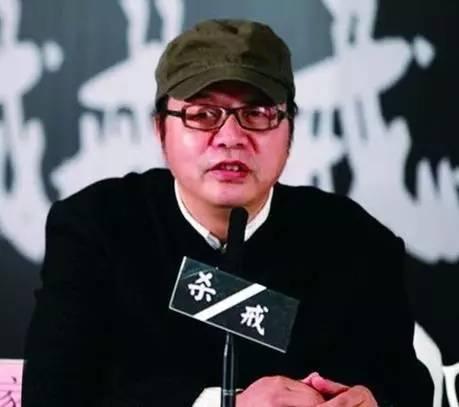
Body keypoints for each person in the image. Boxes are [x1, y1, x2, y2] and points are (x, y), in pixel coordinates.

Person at [21, 19, 433, 406]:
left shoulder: (354, 240)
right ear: (161, 129)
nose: (231, 138)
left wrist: (369, 399)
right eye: (203, 115)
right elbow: (53, 393)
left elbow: (405, 386)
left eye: (257, 114)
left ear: (290, 129)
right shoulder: (97, 227)